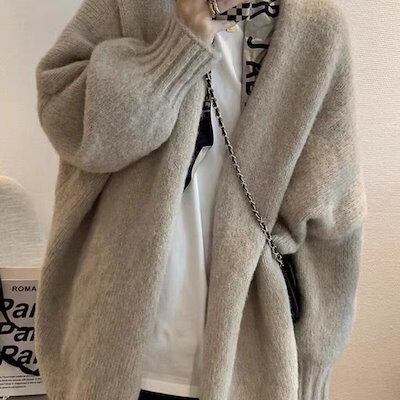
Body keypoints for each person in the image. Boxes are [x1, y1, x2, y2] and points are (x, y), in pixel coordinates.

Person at [34, 0, 368, 399]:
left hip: (250, 369)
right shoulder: (131, 4)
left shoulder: (315, 28)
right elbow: (68, 121)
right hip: (110, 350)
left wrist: (312, 367)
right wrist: (177, 46)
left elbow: (333, 216)